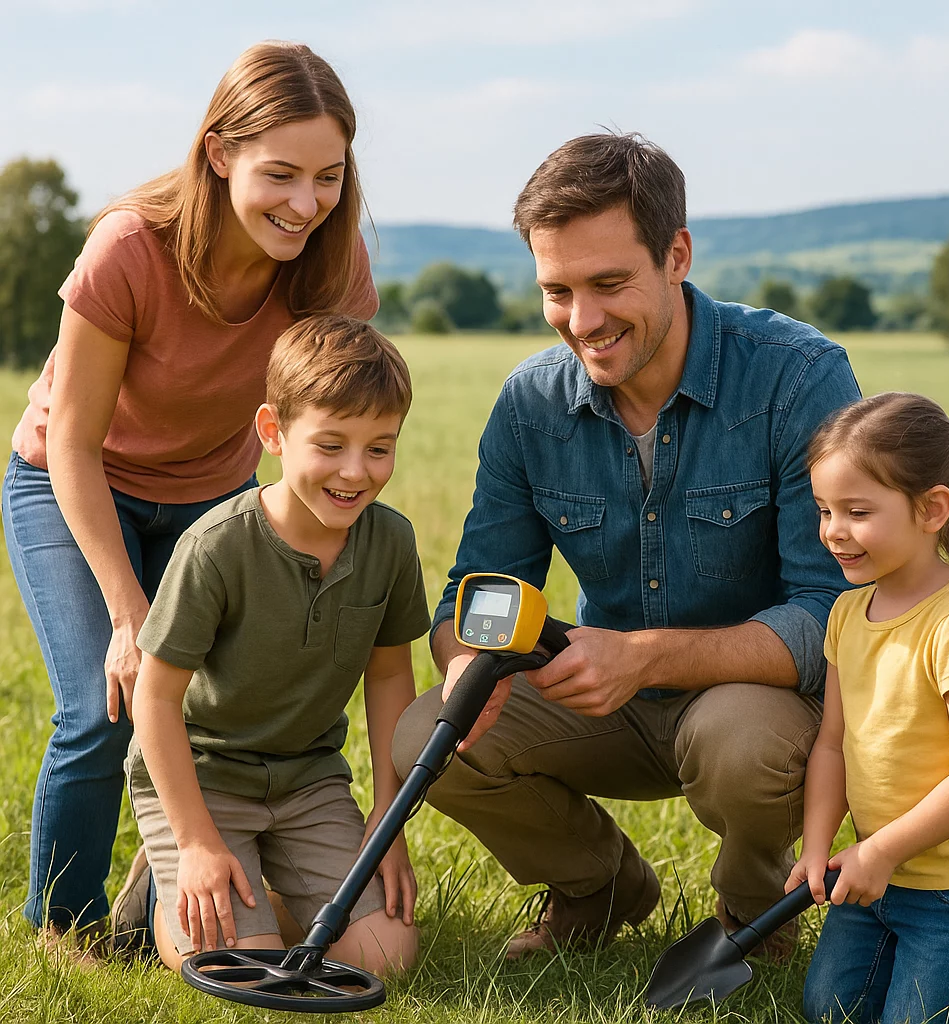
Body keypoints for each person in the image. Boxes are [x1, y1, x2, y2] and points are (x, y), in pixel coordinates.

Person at [392, 132, 862, 959]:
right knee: (422, 736)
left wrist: (644, 657)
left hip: (750, 701)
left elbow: (830, 616)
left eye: (610, 284)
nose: (584, 321)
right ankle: (599, 890)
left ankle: (752, 920)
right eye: (558, 290)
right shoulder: (530, 404)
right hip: (599, 696)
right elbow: (479, 585)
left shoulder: (797, 376)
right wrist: (466, 662)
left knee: (744, 744)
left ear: (676, 254)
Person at [1, 41, 378, 957]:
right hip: (74, 484)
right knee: (106, 703)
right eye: (280, 174)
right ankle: (65, 923)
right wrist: (130, 613)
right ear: (218, 153)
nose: (305, 203)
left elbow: (338, 417)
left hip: (215, 499)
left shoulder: (330, 271)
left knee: (215, 712)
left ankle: (160, 883)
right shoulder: (129, 250)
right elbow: (77, 447)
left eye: (326, 177)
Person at [129, 314, 427, 973]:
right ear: (274, 434)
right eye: (331, 445)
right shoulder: (215, 547)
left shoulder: (392, 543)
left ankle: (261, 884)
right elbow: (154, 699)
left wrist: (388, 816)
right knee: (237, 964)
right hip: (205, 780)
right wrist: (197, 841)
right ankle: (167, 880)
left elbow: (387, 680)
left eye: (380, 448)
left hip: (308, 779)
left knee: (384, 957)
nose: (356, 472)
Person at [789, 392, 949, 1024]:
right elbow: (832, 743)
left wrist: (884, 850)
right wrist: (817, 846)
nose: (834, 531)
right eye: (824, 510)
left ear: (933, 508)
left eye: (857, 511)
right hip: (873, 879)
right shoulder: (847, 613)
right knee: (828, 1010)